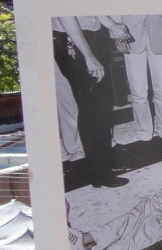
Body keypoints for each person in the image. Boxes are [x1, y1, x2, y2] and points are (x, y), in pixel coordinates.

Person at [53, 16, 127, 188]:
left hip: (89, 37)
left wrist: (112, 25)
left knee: (98, 108)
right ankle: (100, 173)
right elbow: (66, 15)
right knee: (93, 109)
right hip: (74, 41)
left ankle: (100, 169)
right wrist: (88, 55)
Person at [98, 14, 162, 142]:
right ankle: (144, 133)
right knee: (138, 91)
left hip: (160, 33)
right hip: (129, 34)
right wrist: (116, 34)